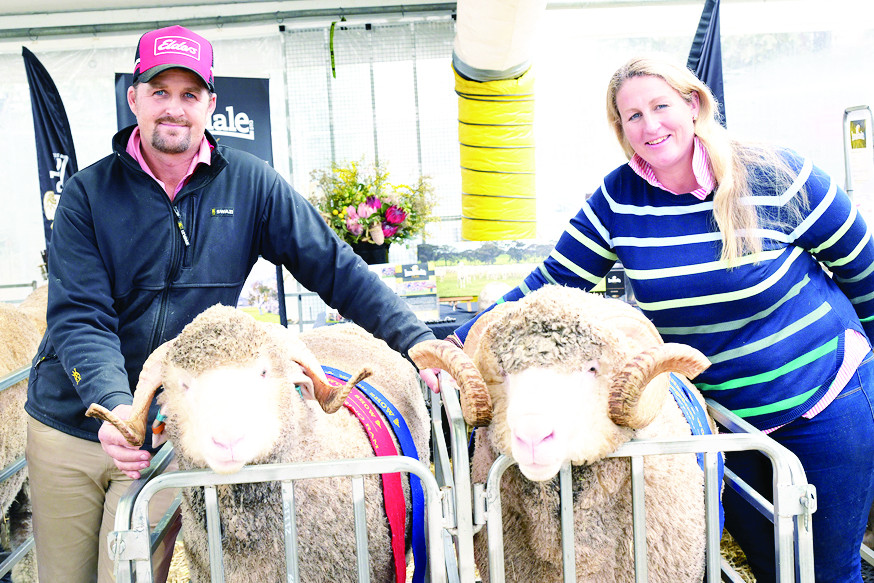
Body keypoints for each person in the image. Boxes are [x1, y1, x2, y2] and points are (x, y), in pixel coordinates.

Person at [24, 24, 439, 583]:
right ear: (134, 98)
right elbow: (80, 316)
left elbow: (333, 265)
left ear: (211, 104)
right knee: (63, 577)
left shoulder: (250, 184)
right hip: (72, 419)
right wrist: (112, 404)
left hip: (173, 423)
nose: (174, 108)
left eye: (189, 94)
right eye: (159, 91)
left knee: (130, 574)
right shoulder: (87, 194)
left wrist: (415, 340)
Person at [452, 54, 874, 582]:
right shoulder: (616, 200)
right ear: (621, 130)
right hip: (722, 424)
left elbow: (865, 269)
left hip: (824, 402)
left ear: (693, 104)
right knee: (771, 566)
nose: (650, 125)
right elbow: (550, 281)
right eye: (632, 116)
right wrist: (455, 342)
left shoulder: (776, 175)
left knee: (827, 569)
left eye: (661, 106)